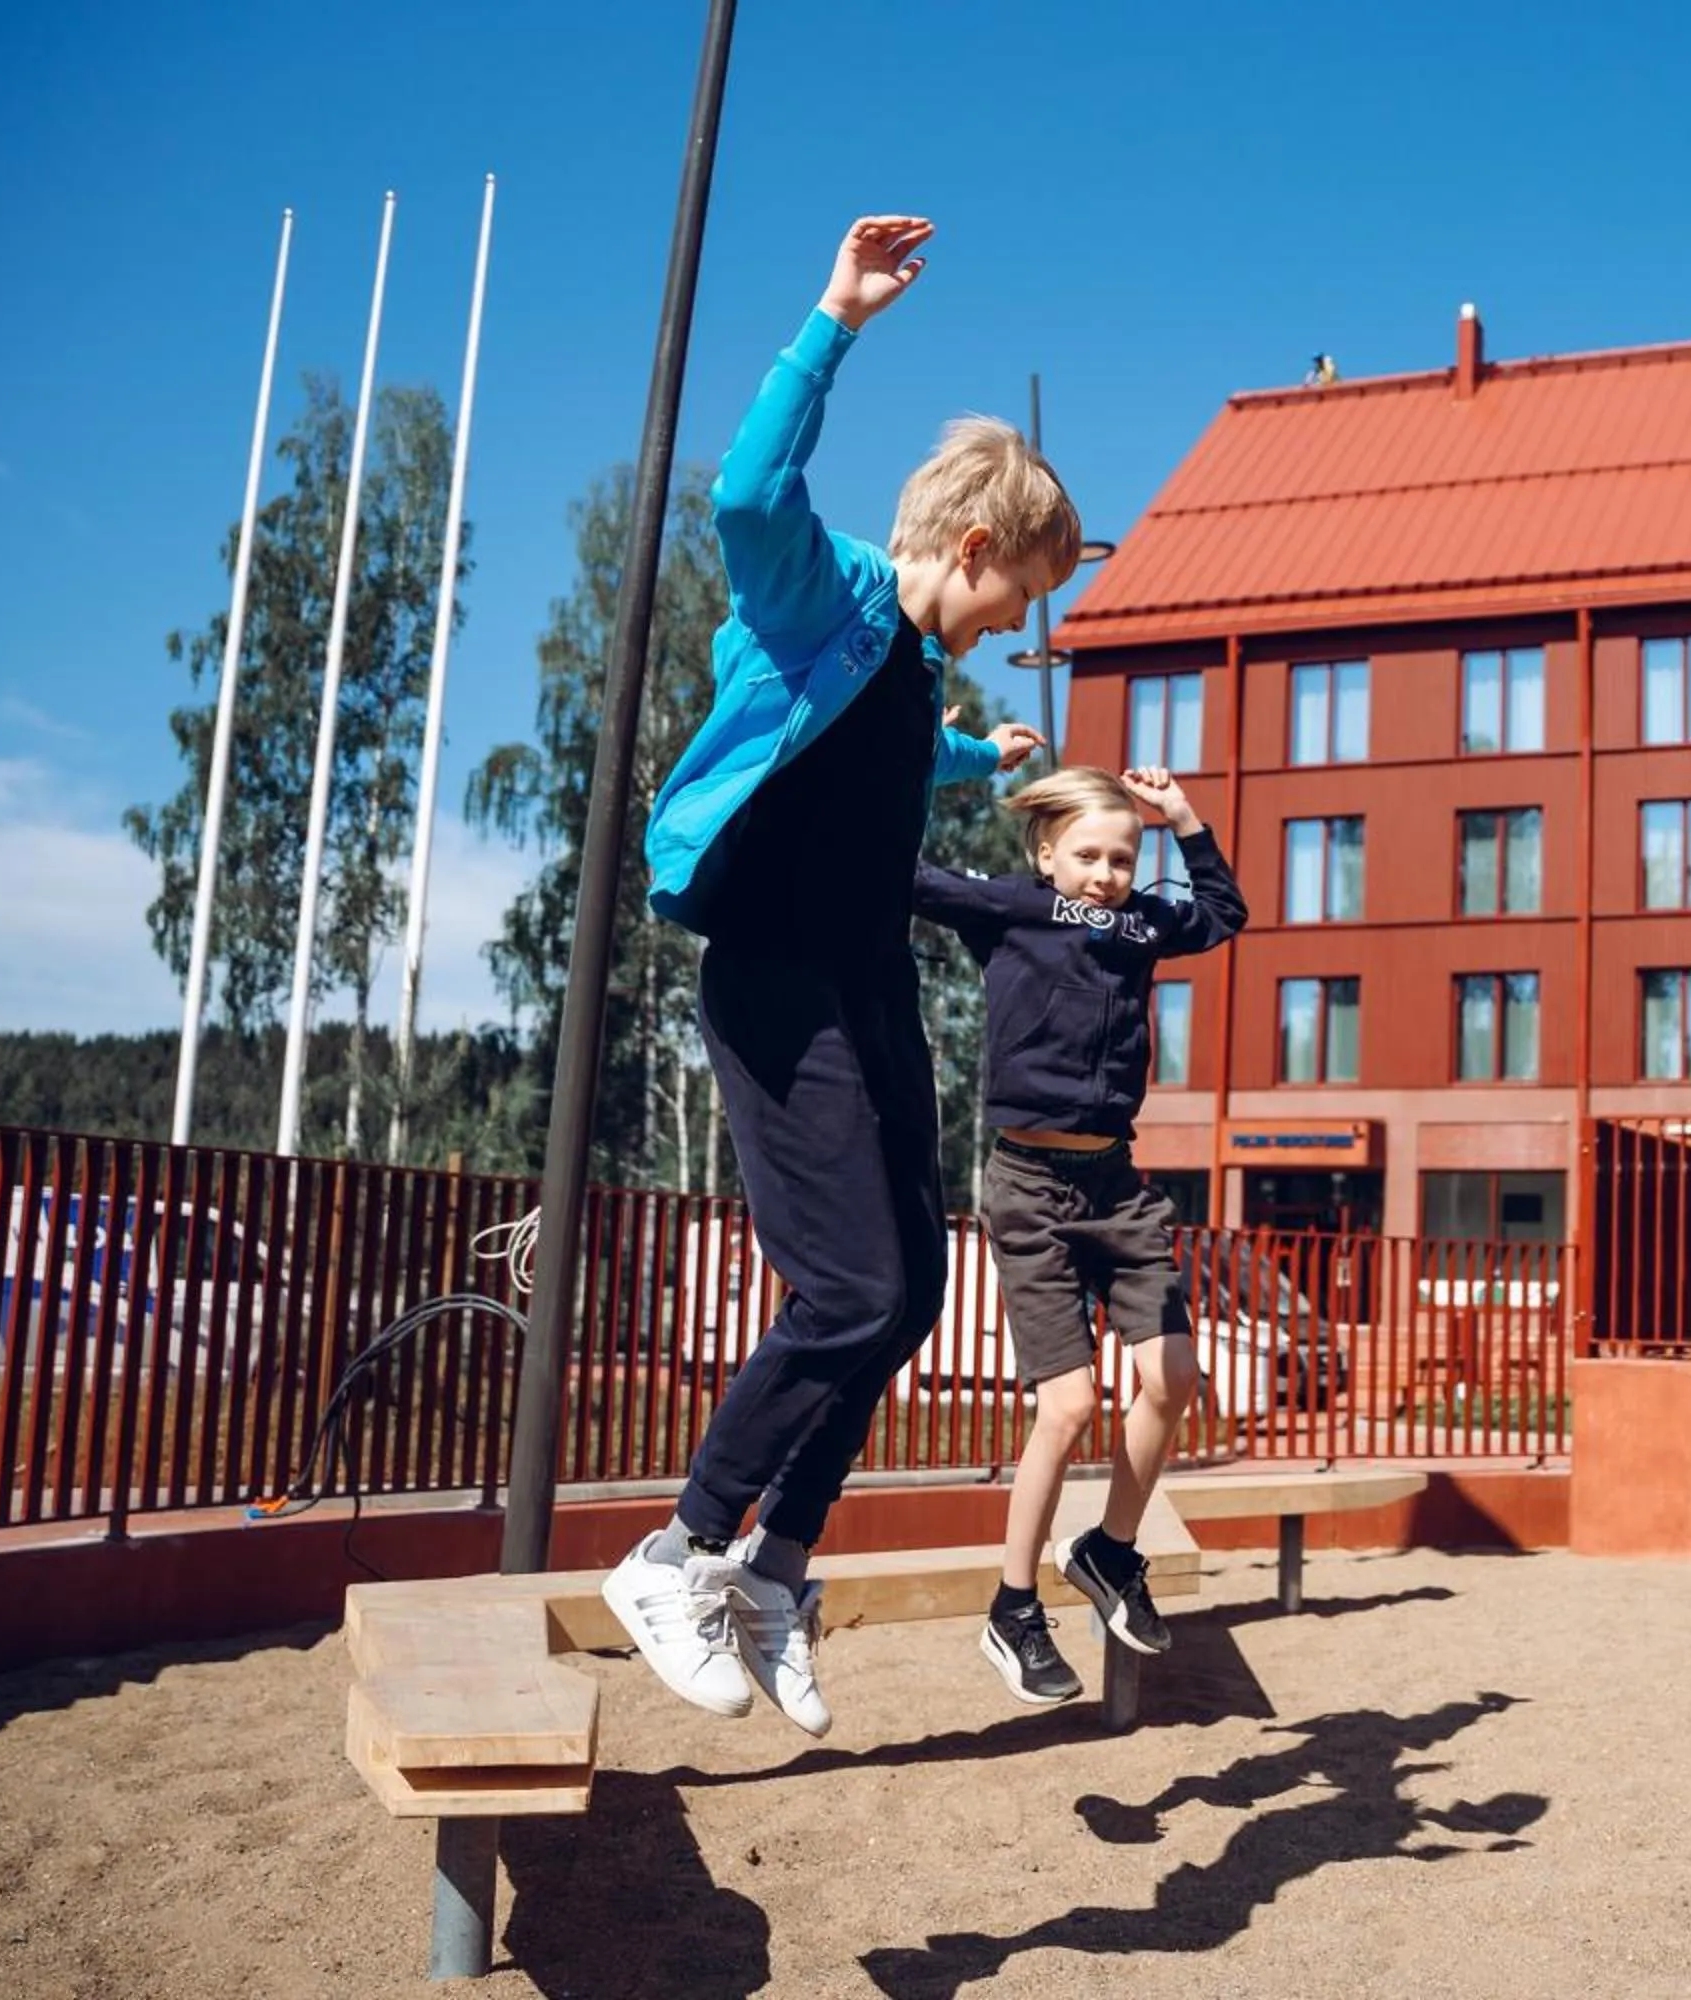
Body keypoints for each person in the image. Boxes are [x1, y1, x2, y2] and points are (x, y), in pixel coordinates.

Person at [600, 216, 1063, 1737]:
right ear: (976, 552)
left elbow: (864, 751)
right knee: (849, 1282)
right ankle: (676, 1552)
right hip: (779, 980)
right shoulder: (830, 594)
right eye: (1017, 601)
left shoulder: (914, 669)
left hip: (863, 981)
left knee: (912, 1286)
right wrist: (835, 320)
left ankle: (776, 1573)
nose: (1013, 630)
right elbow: (743, 490)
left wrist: (963, 751)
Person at [910, 765, 1248, 1703]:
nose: (1106, 874)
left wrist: (1180, 818)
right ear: (1046, 852)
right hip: (1029, 1186)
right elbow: (903, 872)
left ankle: (1108, 1551)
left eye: (1122, 858)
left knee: (1175, 1377)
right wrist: (935, 760)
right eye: (1088, 856)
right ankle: (1013, 1607)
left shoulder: (1144, 923)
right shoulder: (1011, 909)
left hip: (1117, 1182)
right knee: (1067, 1407)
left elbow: (1223, 911)